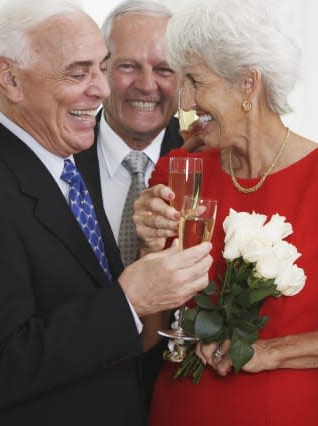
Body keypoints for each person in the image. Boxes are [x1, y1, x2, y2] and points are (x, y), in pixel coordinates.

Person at [0, 1, 212, 425]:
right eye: (78, 72)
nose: (103, 89)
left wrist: (148, 269)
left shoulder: (59, 163)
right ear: (9, 79)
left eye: (101, 67)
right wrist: (129, 299)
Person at [132, 1, 318, 425]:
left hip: (285, 410)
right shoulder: (180, 172)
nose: (183, 102)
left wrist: (272, 352)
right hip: (180, 407)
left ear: (247, 83)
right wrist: (148, 251)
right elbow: (149, 336)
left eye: (195, 82)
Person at [72, 0, 184, 407]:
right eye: (128, 66)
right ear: (100, 71)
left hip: (176, 397)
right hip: (75, 398)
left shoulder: (210, 163)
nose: (147, 84)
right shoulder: (57, 157)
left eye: (164, 69)